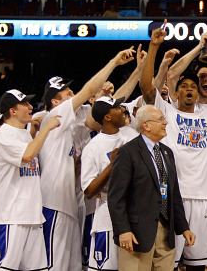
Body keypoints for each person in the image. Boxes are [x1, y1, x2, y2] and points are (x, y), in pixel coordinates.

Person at [140, 25, 207, 270]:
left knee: (202, 265)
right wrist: (154, 48)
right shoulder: (167, 113)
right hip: (171, 197)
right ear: (175, 92)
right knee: (166, 262)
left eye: (193, 87)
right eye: (185, 86)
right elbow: (147, 88)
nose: (190, 89)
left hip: (202, 197)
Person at [38, 47, 135, 271]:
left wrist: (136, 72)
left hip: (69, 205)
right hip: (52, 204)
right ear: (55, 102)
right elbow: (89, 90)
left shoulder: (73, 125)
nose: (74, 96)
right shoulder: (52, 117)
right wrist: (113, 62)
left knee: (72, 267)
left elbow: (105, 112)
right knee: (52, 266)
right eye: (68, 94)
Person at [108, 105, 195, 270]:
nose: (166, 123)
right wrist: (123, 230)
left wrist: (184, 227)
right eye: (161, 119)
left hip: (166, 232)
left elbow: (174, 194)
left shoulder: (167, 153)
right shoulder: (128, 151)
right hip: (136, 234)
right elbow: (116, 197)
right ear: (146, 125)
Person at [0, 89, 60, 270]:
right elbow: (27, 155)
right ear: (12, 111)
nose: (30, 107)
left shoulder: (25, 134)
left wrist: (34, 133)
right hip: (9, 217)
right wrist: (47, 128)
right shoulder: (3, 134)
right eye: (25, 104)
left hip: (32, 216)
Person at [81, 96, 138, 271]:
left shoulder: (133, 137)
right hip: (107, 219)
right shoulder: (93, 147)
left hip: (134, 217)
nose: (122, 110)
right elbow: (89, 191)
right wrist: (112, 166)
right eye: (117, 108)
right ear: (107, 117)